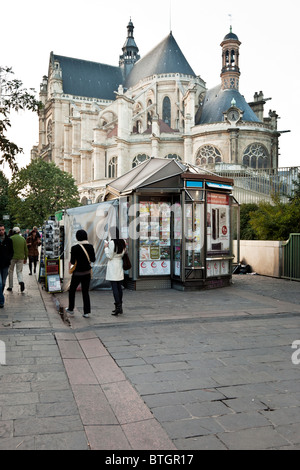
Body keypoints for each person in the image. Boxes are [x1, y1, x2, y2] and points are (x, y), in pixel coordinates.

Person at [66, 229, 95, 318]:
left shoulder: (74, 248)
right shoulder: (90, 247)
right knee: (85, 292)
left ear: (77, 237)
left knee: (72, 290)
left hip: (77, 273)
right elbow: (93, 259)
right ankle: (86, 312)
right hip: (87, 273)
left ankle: (71, 308)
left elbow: (72, 261)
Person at [104, 227, 126, 315]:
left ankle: (117, 307)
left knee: (114, 287)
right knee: (119, 286)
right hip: (119, 264)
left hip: (113, 265)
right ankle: (120, 307)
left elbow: (109, 256)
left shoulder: (112, 242)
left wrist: (106, 247)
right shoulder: (123, 241)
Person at [7, 227, 28, 292]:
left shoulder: (10, 239)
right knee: (19, 271)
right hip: (21, 257)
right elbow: (26, 250)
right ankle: (21, 281)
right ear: (19, 232)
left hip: (12, 258)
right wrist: (25, 258)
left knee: (10, 271)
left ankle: (10, 286)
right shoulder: (23, 239)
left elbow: (7, 249)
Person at [0, 224, 14, 307]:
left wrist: (9, 258)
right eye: (0, 230)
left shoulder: (8, 240)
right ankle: (1, 301)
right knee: (0, 283)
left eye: (2, 229)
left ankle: (0, 295)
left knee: (4, 283)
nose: (1, 231)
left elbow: (11, 251)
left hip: (5, 264)